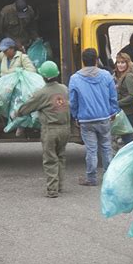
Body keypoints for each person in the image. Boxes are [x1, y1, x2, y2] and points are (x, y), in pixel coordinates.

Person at [16, 61, 70, 198]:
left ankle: (52, 190)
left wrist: (17, 113)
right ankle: (60, 186)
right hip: (65, 128)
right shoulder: (64, 89)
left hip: (50, 130)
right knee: (61, 157)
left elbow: (26, 108)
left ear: (43, 76)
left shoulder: (42, 93)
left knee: (50, 159)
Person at [68, 48, 119, 186]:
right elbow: (113, 96)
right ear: (96, 60)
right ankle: (109, 177)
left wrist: (76, 116)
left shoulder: (75, 78)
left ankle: (91, 178)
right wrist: (113, 111)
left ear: (83, 61)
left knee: (91, 150)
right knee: (106, 148)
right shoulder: (107, 76)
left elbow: (73, 101)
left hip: (86, 120)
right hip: (104, 118)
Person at [113, 53, 133, 144]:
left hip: (128, 112)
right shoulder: (121, 75)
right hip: (125, 112)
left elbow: (132, 95)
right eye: (118, 62)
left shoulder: (128, 76)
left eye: (123, 62)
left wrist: (117, 103)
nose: (120, 65)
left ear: (127, 63)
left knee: (128, 140)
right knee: (126, 138)